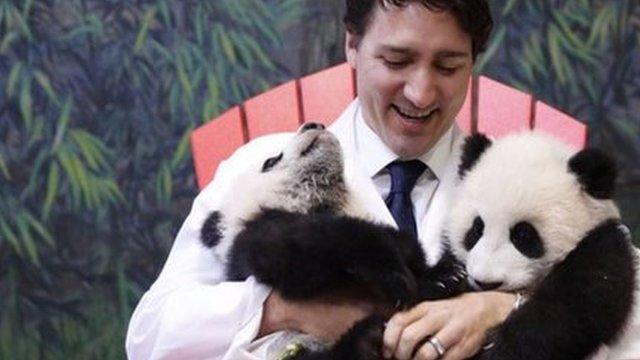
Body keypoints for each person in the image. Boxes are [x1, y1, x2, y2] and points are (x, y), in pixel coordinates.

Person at [125, 1, 638, 359]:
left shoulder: (516, 174)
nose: (420, 92)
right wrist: (284, 310)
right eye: (396, 60)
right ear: (352, 45)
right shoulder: (268, 166)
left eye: (448, 65)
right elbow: (151, 338)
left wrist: (506, 308)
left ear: (473, 63)